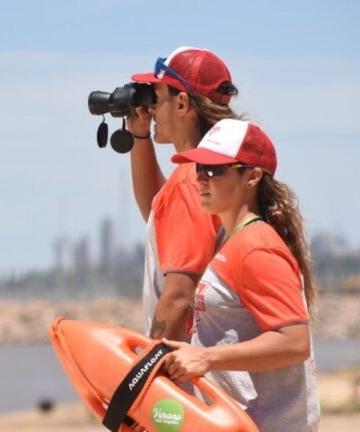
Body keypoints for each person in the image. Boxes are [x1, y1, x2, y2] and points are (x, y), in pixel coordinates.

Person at [161, 119, 320, 430]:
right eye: (199, 168)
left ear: (252, 176)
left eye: (215, 169)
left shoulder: (256, 246)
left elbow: (294, 341)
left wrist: (207, 358)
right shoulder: (234, 241)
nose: (202, 179)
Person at [126, 46, 241, 340]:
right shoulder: (226, 168)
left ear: (182, 104)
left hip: (204, 376)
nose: (150, 109)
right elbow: (159, 212)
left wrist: (150, 376)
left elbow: (178, 295)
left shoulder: (192, 180)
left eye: (157, 98)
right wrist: (140, 136)